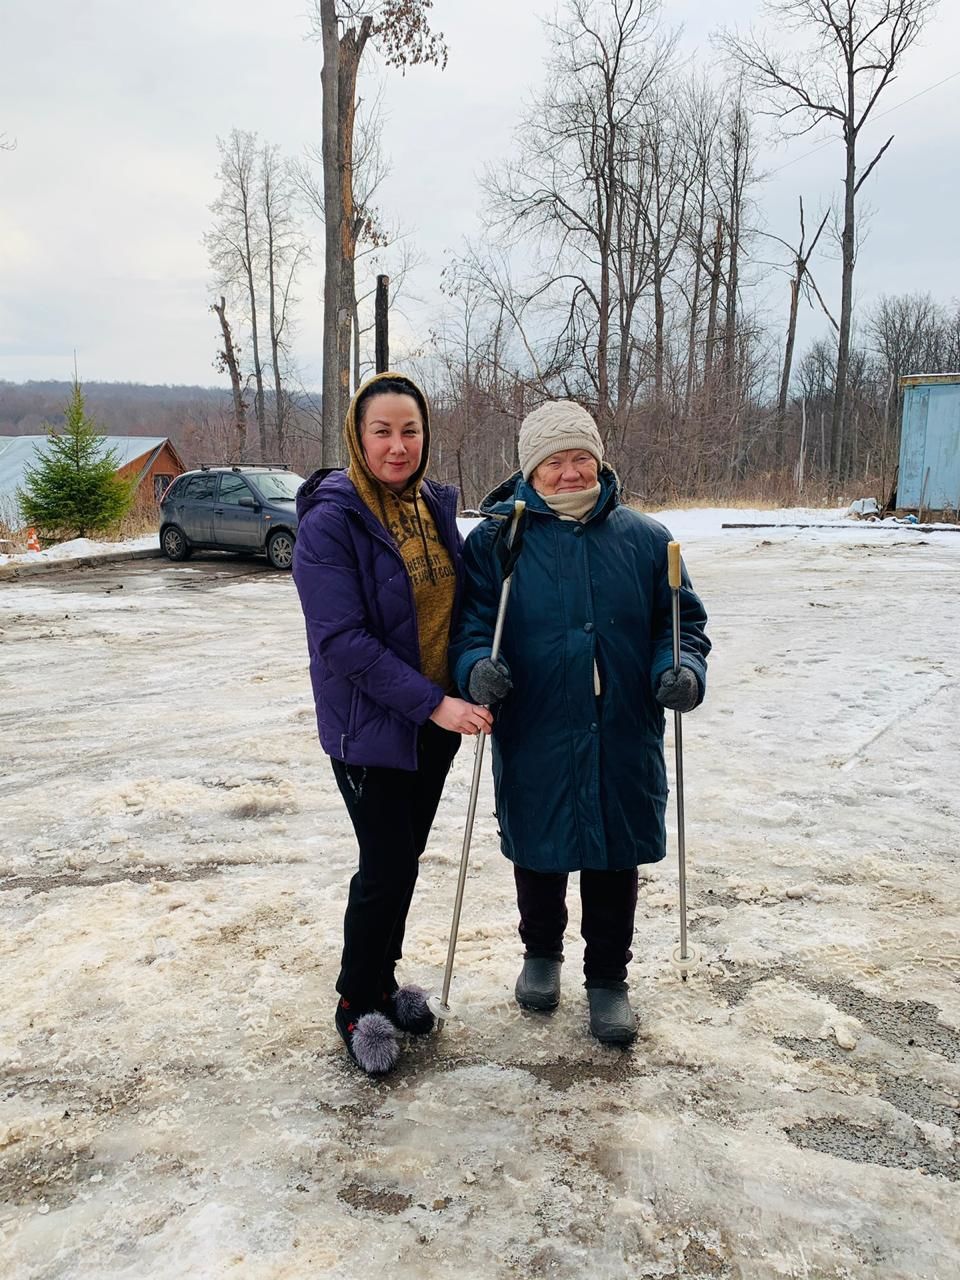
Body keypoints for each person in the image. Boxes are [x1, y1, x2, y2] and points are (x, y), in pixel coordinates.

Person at [451, 400, 710, 1045]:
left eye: (580, 458)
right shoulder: (496, 543)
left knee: (612, 858)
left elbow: (680, 628)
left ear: (599, 459)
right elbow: (471, 628)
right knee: (540, 848)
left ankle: (608, 980)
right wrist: (476, 666)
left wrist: (679, 670)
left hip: (621, 727)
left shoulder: (647, 541)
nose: (570, 473)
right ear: (529, 472)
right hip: (537, 722)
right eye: (553, 462)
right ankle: (541, 955)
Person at [292, 372, 492, 1076]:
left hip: (433, 723)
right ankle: (355, 1002)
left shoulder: (432, 508)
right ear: (358, 436)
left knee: (402, 862)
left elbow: (460, 603)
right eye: (383, 431)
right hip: (371, 727)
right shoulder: (330, 521)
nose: (398, 445)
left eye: (410, 430)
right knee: (383, 867)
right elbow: (341, 642)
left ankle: (383, 982)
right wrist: (435, 703)